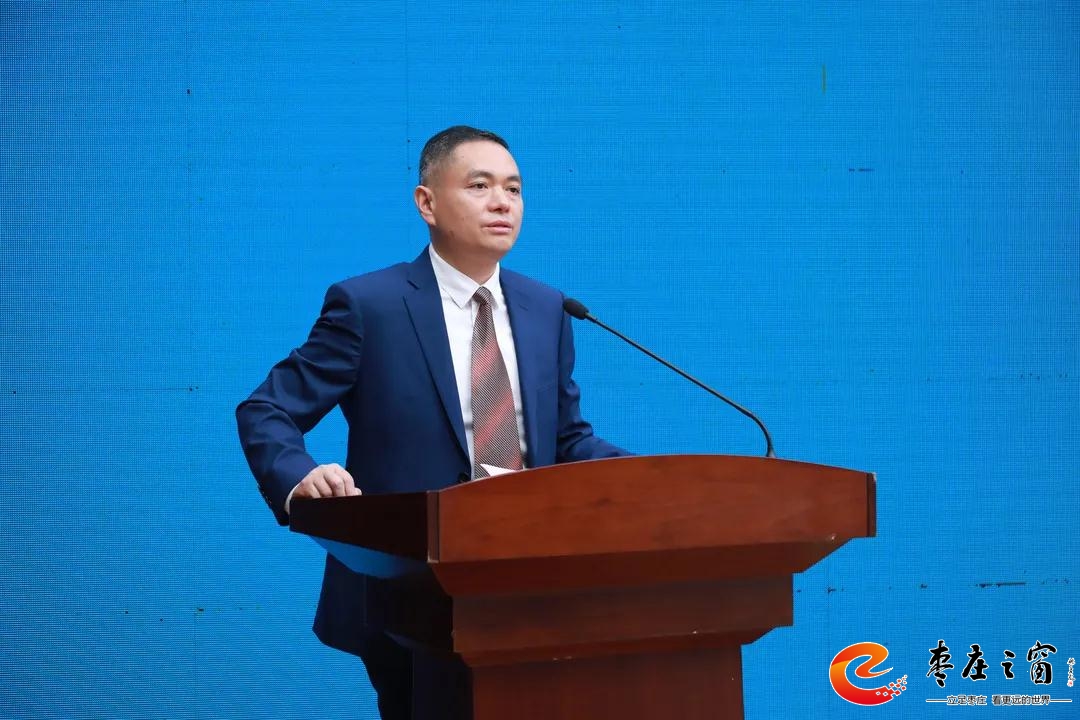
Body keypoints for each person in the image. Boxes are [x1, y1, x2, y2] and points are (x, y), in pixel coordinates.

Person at [236, 125, 628, 719]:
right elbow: (267, 408)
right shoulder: (370, 305)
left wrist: (649, 478)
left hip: (530, 581)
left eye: (514, 189)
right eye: (480, 185)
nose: (502, 203)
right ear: (427, 203)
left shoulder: (547, 309)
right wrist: (299, 476)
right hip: (409, 587)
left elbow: (565, 439)